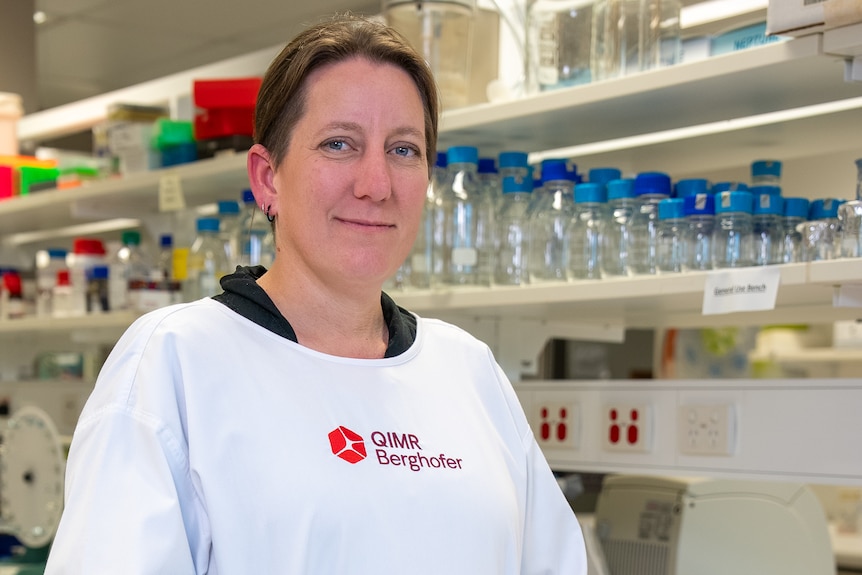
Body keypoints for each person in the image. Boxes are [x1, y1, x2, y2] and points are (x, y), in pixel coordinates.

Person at [45, 13, 587, 575]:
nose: (375, 185)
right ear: (267, 178)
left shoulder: (470, 372)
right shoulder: (175, 361)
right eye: (339, 144)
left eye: (404, 150)